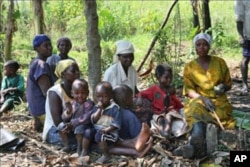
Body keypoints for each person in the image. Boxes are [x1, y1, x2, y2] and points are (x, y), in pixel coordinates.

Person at [173, 33, 236, 159]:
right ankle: (197, 138)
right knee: (195, 108)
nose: (202, 47)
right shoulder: (190, 67)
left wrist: (223, 87)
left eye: (205, 44)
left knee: (215, 113)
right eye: (198, 45)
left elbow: (228, 84)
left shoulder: (220, 62)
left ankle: (194, 144)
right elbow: (189, 90)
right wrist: (203, 98)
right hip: (199, 100)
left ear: (209, 46)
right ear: (195, 47)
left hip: (219, 101)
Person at [136, 64, 184, 138]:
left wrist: (181, 108)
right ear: (158, 77)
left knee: (169, 116)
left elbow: (176, 101)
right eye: (166, 77)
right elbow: (141, 93)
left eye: (171, 77)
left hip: (171, 111)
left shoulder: (171, 90)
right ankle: (162, 132)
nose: (169, 80)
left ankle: (166, 131)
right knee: (160, 119)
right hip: (159, 112)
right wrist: (139, 98)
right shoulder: (153, 89)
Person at [42, 59, 80, 152]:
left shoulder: (79, 89)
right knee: (79, 143)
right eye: (73, 71)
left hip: (73, 126)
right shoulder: (55, 92)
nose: (77, 73)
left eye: (78, 70)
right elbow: (57, 122)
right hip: (55, 130)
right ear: (63, 74)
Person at [110, 84, 153, 158]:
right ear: (125, 100)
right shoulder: (128, 115)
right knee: (137, 131)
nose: (133, 99)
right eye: (131, 97)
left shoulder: (111, 110)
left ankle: (135, 146)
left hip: (114, 138)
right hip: (125, 138)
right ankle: (138, 140)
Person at [26, 34, 54, 132]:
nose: (50, 48)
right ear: (37, 48)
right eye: (46, 45)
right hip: (42, 109)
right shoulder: (41, 65)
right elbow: (47, 93)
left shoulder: (35, 62)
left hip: (34, 108)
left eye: (50, 45)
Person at [61, 78, 95, 156]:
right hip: (72, 126)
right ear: (72, 93)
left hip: (84, 127)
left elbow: (86, 118)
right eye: (76, 93)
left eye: (83, 93)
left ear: (88, 93)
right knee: (61, 126)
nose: (80, 96)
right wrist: (68, 111)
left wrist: (73, 123)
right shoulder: (72, 104)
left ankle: (79, 148)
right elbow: (63, 118)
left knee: (79, 129)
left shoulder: (88, 104)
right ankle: (67, 146)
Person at [91, 81, 121, 164]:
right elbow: (94, 120)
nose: (101, 99)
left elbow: (116, 124)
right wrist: (99, 110)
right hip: (98, 131)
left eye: (104, 96)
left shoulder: (114, 108)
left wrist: (107, 129)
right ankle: (84, 151)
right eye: (98, 97)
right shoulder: (96, 107)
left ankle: (106, 155)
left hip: (111, 134)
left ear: (110, 96)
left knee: (99, 135)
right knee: (87, 132)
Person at [235, 0, 250, 94]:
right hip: (248, 35)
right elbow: (239, 18)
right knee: (245, 59)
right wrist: (241, 36)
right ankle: (245, 84)